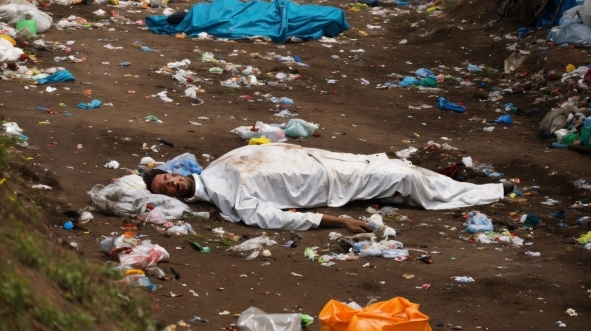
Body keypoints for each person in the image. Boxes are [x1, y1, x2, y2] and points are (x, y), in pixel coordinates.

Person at [143, 143, 508, 233]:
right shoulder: (227, 199)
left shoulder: (218, 164)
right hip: (331, 182)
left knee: (395, 168)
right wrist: (338, 222)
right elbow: (274, 219)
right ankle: (482, 192)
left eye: (167, 178)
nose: (172, 183)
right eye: (169, 190)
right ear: (174, 196)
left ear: (173, 170)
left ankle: (459, 182)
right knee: (406, 178)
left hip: (324, 160)